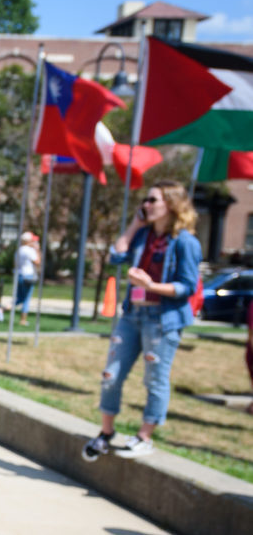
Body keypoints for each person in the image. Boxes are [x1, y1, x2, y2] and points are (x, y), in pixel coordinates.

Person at [82, 181, 201, 461]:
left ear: (171, 205)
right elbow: (117, 255)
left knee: (155, 379)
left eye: (152, 200)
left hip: (162, 319)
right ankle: (106, 433)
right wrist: (135, 225)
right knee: (111, 374)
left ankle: (144, 436)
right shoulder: (143, 235)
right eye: (145, 201)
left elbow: (187, 286)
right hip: (132, 314)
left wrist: (151, 285)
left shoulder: (185, 241)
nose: (145, 205)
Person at [0, 232, 40, 326]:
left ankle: (3, 309)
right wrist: (37, 249)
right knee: (26, 299)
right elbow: (37, 262)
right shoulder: (29, 250)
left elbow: (15, 264)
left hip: (19, 275)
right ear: (28, 241)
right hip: (28, 276)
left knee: (19, 298)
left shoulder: (19, 250)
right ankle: (23, 320)